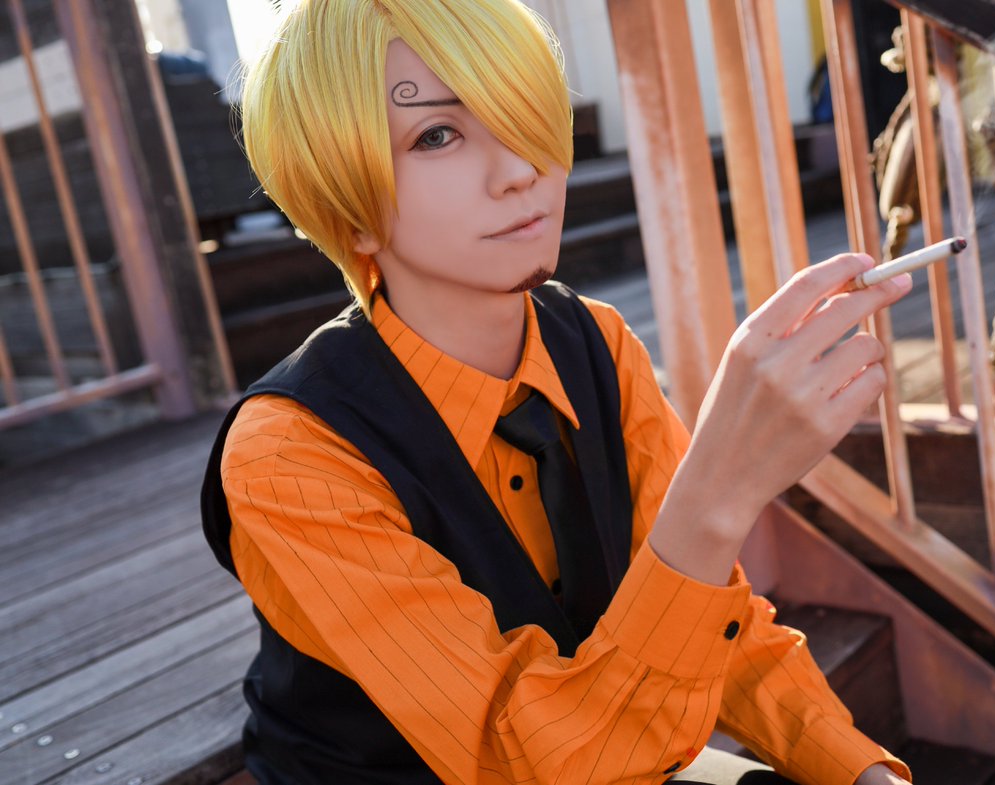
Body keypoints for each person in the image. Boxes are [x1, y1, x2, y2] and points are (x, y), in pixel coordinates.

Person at [200, 1, 915, 783]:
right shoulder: (290, 455)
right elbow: (514, 756)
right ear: (348, 209)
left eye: (520, 110)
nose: (519, 169)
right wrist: (716, 494)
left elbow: (723, 623)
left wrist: (861, 771)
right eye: (436, 135)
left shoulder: (596, 343)